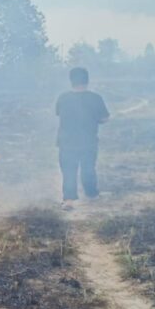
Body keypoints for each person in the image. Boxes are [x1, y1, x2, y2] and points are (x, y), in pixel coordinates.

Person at [55, 67, 109, 210]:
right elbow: (104, 118)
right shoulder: (95, 98)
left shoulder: (63, 97)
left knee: (68, 170)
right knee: (88, 168)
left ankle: (68, 200)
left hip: (66, 141)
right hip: (88, 141)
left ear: (71, 81)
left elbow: (58, 113)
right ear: (87, 80)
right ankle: (91, 194)